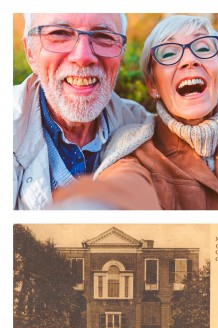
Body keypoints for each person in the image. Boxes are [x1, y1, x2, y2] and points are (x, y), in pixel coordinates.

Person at [92, 14, 218, 210]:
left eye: (203, 48)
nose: (190, 60)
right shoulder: (132, 149)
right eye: (168, 54)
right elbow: (122, 191)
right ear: (152, 85)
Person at [13, 13, 160, 210]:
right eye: (59, 34)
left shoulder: (144, 128)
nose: (82, 57)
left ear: (121, 53)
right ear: (30, 52)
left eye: (103, 37)